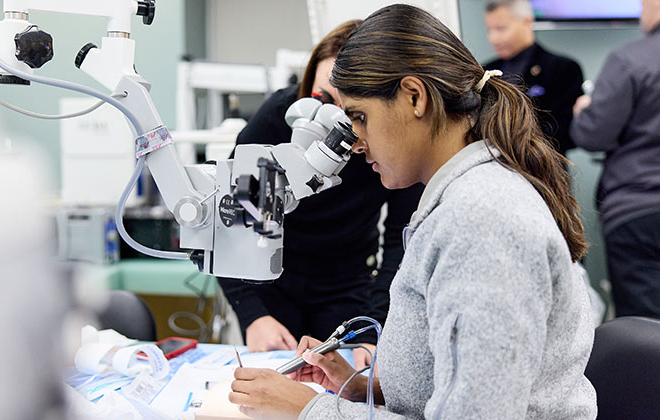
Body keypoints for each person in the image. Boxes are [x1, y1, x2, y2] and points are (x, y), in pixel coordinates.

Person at [228, 4, 597, 419]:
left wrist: (312, 411)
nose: (353, 142)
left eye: (359, 117)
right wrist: (363, 389)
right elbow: (451, 379)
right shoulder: (457, 198)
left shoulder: (482, 221)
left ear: (414, 97)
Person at [217, 21, 424, 369]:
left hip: (346, 284)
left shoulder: (387, 142)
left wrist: (374, 326)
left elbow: (400, 239)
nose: (328, 119)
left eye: (348, 109)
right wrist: (252, 314)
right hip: (271, 282)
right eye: (320, 99)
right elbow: (232, 218)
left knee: (345, 383)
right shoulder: (276, 118)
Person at [570, 0, 660, 319]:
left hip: (637, 212)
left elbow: (593, 134)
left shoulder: (630, 61)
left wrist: (584, 111)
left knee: (646, 331)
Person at [483, 0, 584, 155]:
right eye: (489, 30)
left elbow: (566, 131)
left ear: (527, 22)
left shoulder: (562, 68)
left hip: (543, 169)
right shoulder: (485, 72)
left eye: (501, 29)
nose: (493, 38)